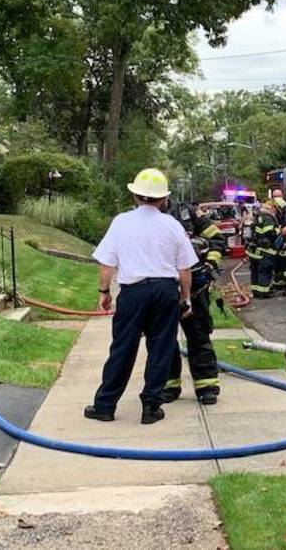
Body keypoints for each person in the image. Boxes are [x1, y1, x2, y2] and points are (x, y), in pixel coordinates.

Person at [85, 168, 197, 425]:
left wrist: (104, 292)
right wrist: (185, 298)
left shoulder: (121, 222)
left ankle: (104, 405)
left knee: (123, 347)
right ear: (164, 199)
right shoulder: (172, 225)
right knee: (160, 348)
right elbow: (184, 269)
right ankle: (151, 407)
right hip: (165, 291)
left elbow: (106, 264)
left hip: (132, 292)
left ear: (135, 196)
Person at [161, 200, 226, 405]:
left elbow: (216, 238)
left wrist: (210, 264)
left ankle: (206, 385)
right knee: (163, 339)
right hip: (162, 287)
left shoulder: (187, 213)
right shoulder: (142, 218)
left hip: (195, 285)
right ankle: (168, 385)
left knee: (198, 335)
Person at [247, 200, 280, 299]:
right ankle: (264, 292)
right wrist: (279, 230)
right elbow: (269, 232)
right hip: (265, 250)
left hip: (255, 250)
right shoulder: (267, 217)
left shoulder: (258, 216)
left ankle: (256, 291)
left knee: (255, 271)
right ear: (271, 208)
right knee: (265, 271)